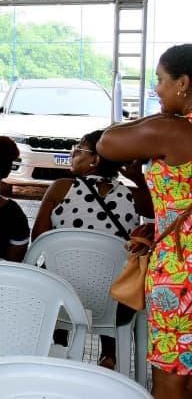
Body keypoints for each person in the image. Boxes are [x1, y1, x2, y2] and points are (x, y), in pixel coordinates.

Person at [96, 44, 192, 398]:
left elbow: (107, 143)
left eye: (161, 80)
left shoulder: (176, 131)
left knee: (171, 375)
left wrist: (164, 117)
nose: (157, 89)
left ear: (183, 83)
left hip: (182, 273)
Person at [32, 128, 147, 369]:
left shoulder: (61, 188)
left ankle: (59, 346)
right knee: (112, 273)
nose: (73, 154)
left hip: (60, 299)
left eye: (79, 149)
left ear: (95, 159)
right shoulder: (134, 196)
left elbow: (39, 238)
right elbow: (161, 210)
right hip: (116, 304)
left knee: (59, 270)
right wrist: (138, 179)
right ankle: (110, 355)